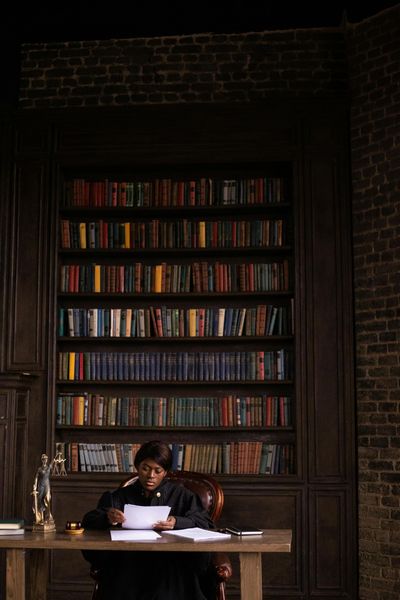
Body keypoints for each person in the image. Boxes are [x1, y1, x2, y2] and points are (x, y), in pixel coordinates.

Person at [82, 440, 216, 600]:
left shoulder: (183, 496)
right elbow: (89, 522)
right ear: (137, 466)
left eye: (157, 470)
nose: (151, 476)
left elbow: (205, 524)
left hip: (170, 568)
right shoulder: (119, 496)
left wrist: (177, 522)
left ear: (165, 472)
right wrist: (107, 518)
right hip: (129, 567)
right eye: (145, 468)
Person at [32, 453, 54, 525]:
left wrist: (58, 454)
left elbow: (53, 461)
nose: (45, 460)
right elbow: (36, 477)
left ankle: (48, 517)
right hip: (41, 485)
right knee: (40, 499)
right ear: (42, 460)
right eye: (43, 459)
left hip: (47, 485)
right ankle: (41, 518)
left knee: (47, 500)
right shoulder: (39, 469)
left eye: (46, 459)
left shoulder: (48, 467)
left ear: (47, 460)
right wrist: (35, 485)